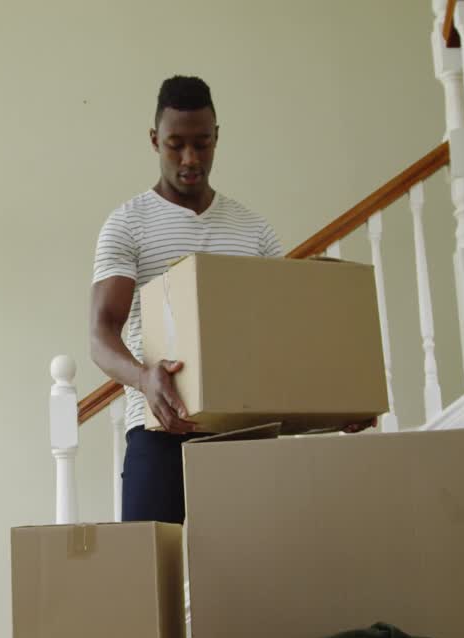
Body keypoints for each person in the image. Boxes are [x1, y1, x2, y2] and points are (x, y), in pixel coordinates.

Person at [89, 75, 372, 524]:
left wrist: (336, 405)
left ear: (217, 137)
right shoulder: (128, 224)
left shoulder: (253, 231)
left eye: (202, 144)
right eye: (175, 144)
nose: (189, 159)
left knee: (249, 585)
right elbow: (102, 333)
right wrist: (145, 379)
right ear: (153, 140)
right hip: (159, 430)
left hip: (245, 436)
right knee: (150, 582)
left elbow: (281, 338)